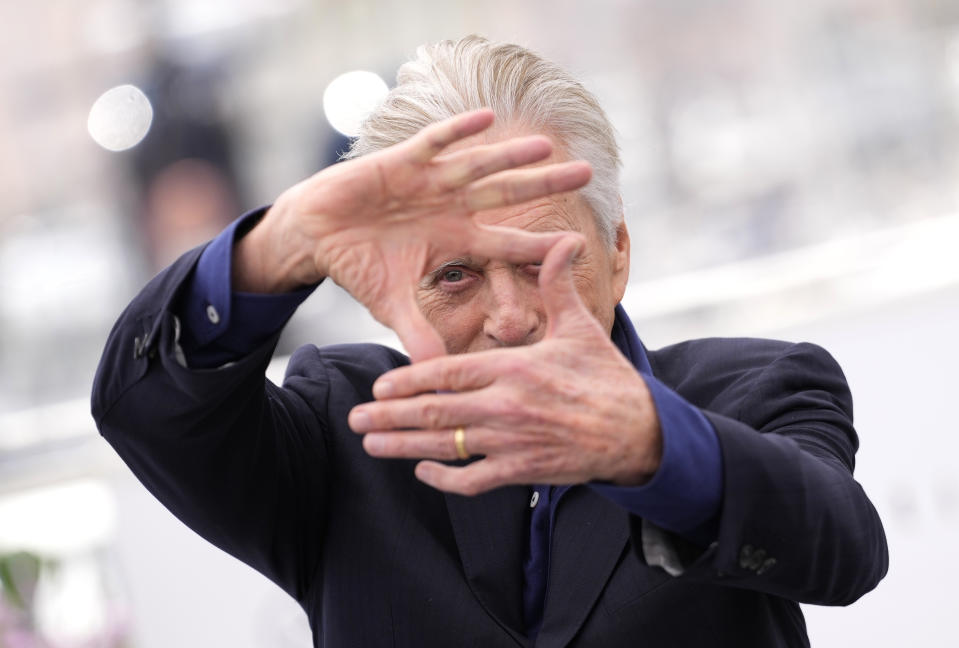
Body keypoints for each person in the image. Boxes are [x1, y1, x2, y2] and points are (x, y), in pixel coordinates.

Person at [92, 36, 887, 647]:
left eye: (543, 263)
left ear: (617, 253)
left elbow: (842, 546)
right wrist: (279, 244)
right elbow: (149, 410)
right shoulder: (346, 433)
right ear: (391, 291)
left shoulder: (757, 389)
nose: (509, 316)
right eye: (454, 277)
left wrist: (649, 446)